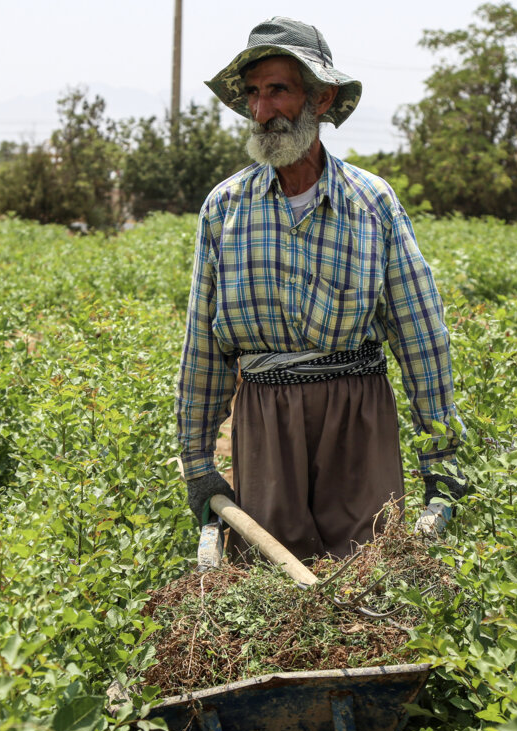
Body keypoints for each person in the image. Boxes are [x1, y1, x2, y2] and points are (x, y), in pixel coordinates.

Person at [177, 15, 468, 560]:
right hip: (266, 421)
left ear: (321, 97)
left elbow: (421, 334)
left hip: (356, 418)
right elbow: (203, 347)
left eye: (279, 91)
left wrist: (442, 457)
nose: (263, 111)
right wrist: (198, 463)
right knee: (270, 581)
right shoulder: (225, 209)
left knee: (369, 576)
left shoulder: (371, 202)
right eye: (255, 94)